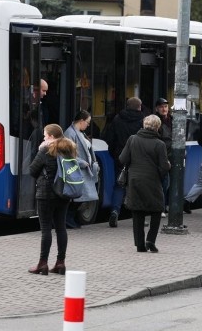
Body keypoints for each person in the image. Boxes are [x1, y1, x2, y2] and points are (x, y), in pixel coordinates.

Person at [28, 124, 77, 276]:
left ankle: (42, 264)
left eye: (45, 135)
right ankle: (60, 263)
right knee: (61, 227)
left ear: (51, 136)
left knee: (46, 229)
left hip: (46, 194)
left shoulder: (45, 149)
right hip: (63, 193)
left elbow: (32, 170)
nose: (43, 137)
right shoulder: (69, 148)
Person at [119, 114, 171, 252]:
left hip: (135, 180)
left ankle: (140, 245)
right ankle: (150, 240)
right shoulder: (160, 144)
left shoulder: (132, 139)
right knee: (157, 209)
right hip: (153, 180)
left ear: (144, 125)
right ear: (157, 127)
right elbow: (164, 166)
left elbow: (123, 158)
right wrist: (168, 166)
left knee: (137, 211)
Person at [104, 97, 145, 227]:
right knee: (138, 187)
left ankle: (115, 211)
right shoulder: (143, 120)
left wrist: (115, 154)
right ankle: (138, 218)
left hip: (121, 157)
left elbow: (109, 138)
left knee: (119, 185)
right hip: (139, 158)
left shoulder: (117, 119)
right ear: (139, 107)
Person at [63, 110, 98, 228]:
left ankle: (70, 218)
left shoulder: (78, 132)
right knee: (79, 195)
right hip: (78, 168)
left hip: (83, 169)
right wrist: (82, 162)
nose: (88, 125)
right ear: (81, 121)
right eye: (87, 122)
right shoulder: (70, 133)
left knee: (83, 195)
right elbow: (67, 154)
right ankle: (68, 218)